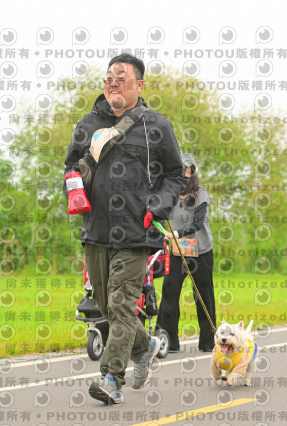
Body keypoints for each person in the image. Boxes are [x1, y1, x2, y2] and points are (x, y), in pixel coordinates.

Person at [63, 53, 187, 404]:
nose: (113, 82)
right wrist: (73, 185)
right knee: (106, 305)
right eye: (109, 78)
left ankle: (111, 379)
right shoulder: (87, 124)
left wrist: (157, 205)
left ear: (139, 85)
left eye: (121, 77)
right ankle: (145, 346)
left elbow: (175, 175)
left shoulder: (156, 126)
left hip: (137, 230)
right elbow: (71, 167)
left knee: (121, 303)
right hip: (96, 230)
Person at [156, 153, 216, 353]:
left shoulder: (201, 194)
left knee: (203, 296)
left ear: (192, 173)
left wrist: (177, 234)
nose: (183, 174)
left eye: (187, 171)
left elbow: (197, 223)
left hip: (201, 251)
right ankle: (168, 341)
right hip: (177, 251)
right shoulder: (169, 194)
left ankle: (207, 342)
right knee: (169, 292)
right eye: (180, 170)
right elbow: (159, 216)